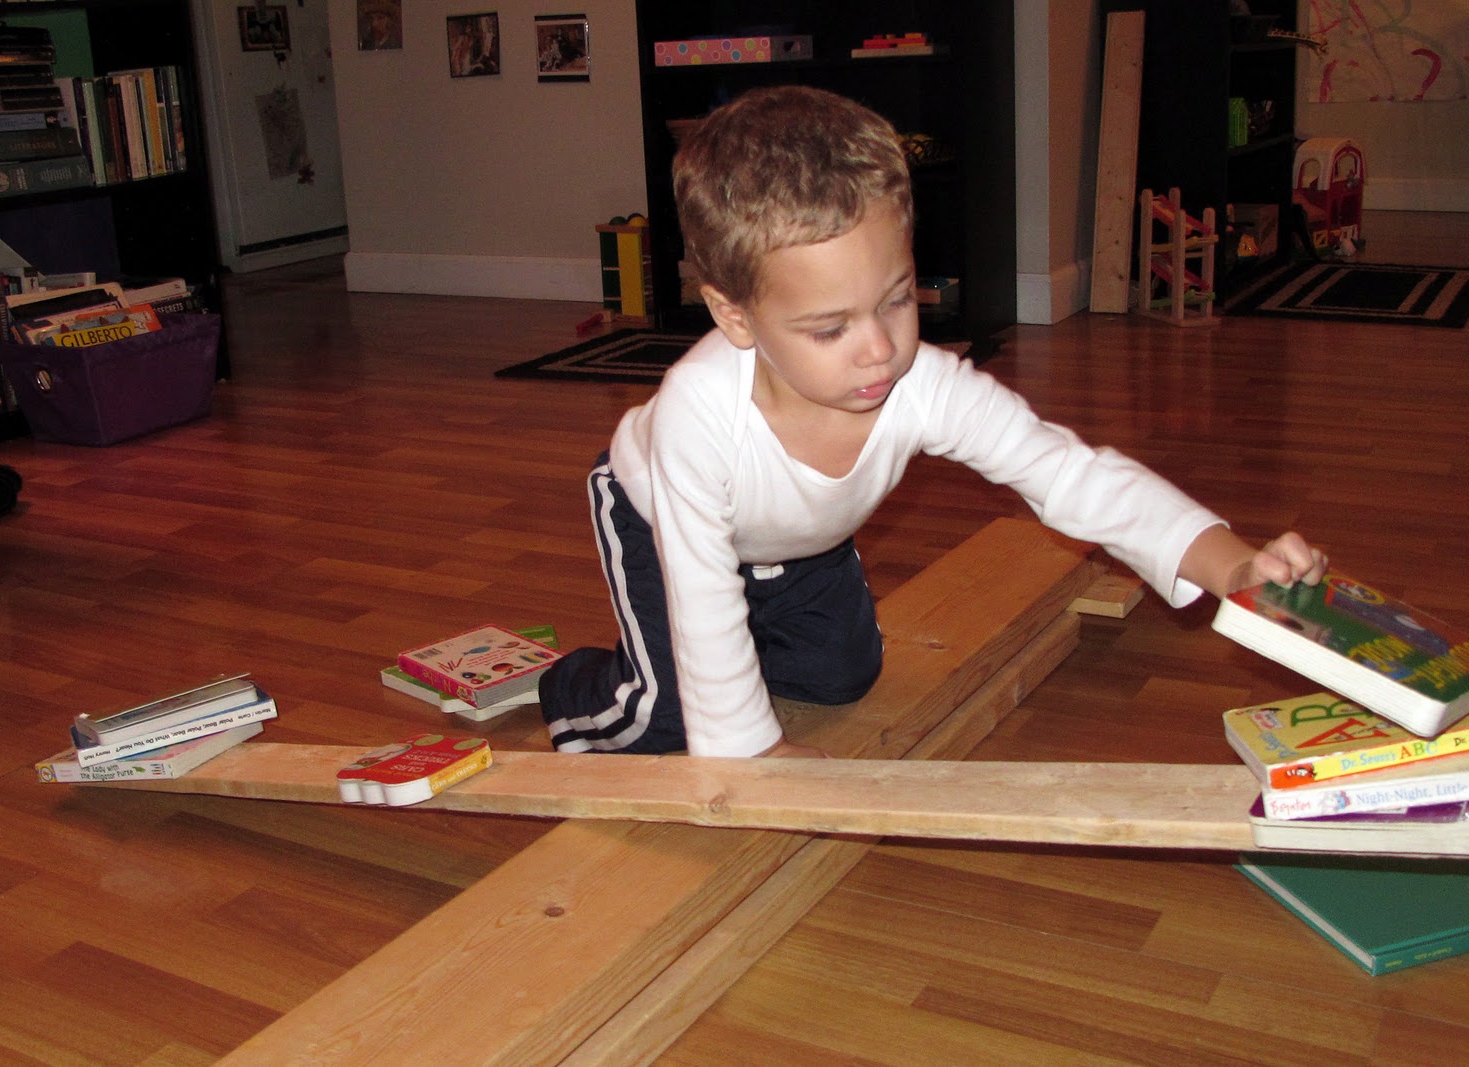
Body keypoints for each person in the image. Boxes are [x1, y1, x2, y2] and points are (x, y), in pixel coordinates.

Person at [538, 85, 1327, 759]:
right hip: (658, 517)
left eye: (896, 297)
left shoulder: (923, 383)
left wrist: (1231, 564)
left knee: (842, 677)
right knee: (669, 715)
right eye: (829, 328)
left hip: (793, 538)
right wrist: (753, 760)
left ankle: (762, 633)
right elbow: (704, 602)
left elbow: (1067, 473)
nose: (880, 348)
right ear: (733, 316)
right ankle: (567, 682)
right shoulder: (694, 417)